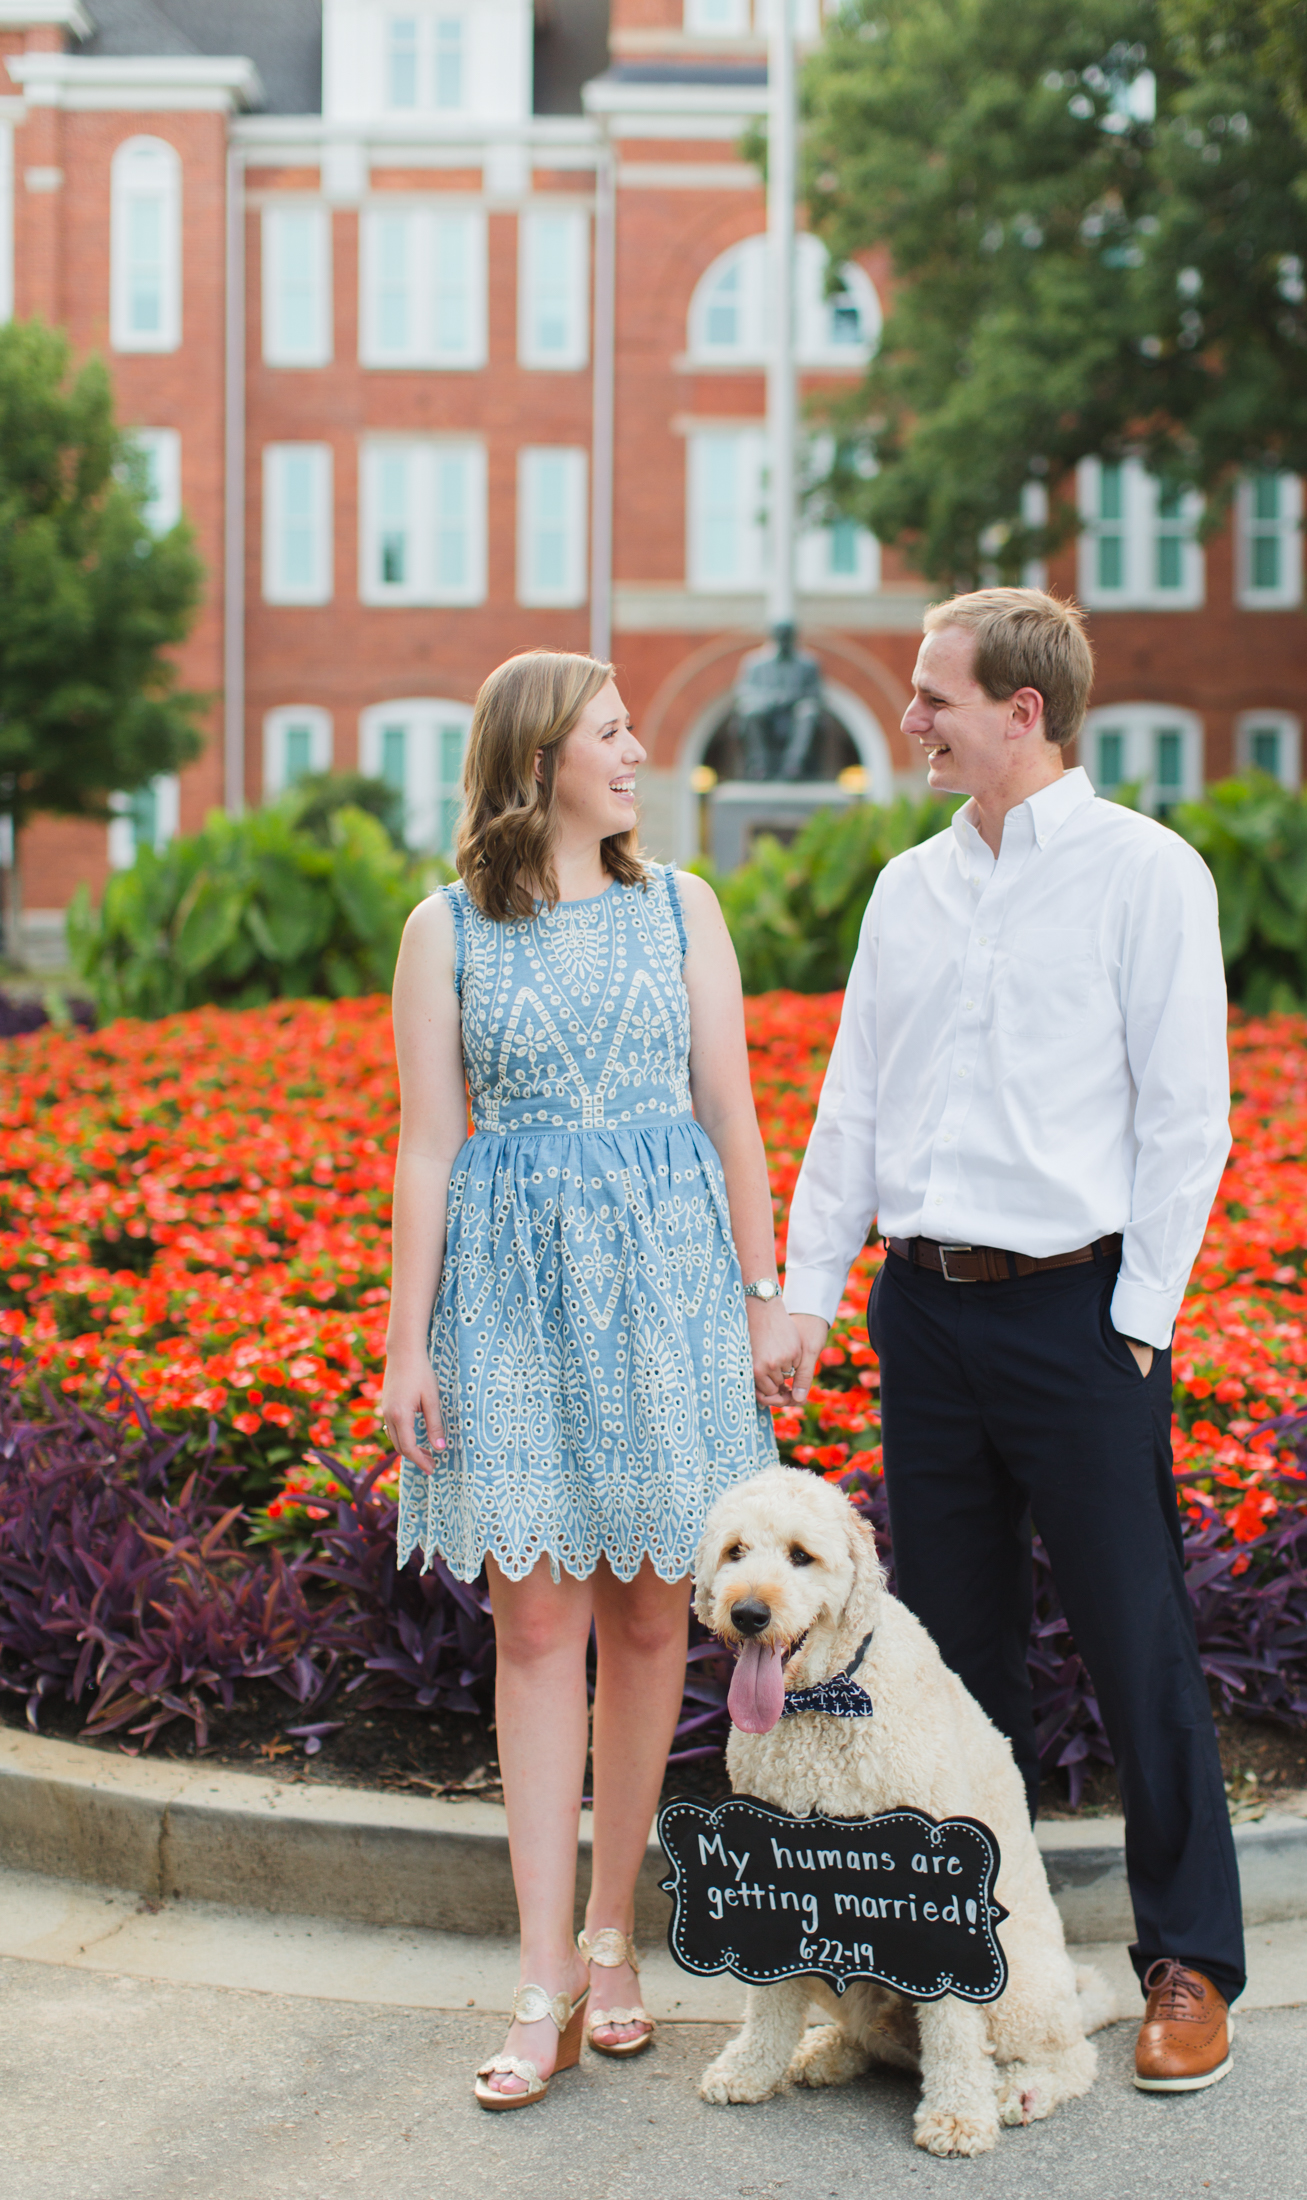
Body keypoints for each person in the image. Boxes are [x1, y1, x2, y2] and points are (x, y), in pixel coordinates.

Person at [781, 587, 1245, 2093]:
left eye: (933, 697)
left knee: (1134, 1641)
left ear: (1022, 713)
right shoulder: (908, 889)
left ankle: (1186, 1963)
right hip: (926, 1313)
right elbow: (853, 1104)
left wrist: (1136, 1324)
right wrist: (807, 1294)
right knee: (954, 1666)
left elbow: (1189, 1117)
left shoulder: (1143, 875)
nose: (908, 717)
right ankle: (969, 1965)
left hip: (1079, 1316)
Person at [380, 650, 798, 2110]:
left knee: (644, 1613)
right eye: (613, 732)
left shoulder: (684, 906)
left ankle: (616, 1940)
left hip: (676, 1294)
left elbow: (733, 1116)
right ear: (540, 755)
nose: (637, 752)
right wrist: (403, 1338)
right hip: (515, 1297)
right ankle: (543, 1972)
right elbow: (429, 1145)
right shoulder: (444, 931)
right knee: (539, 1615)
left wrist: (763, 1302)